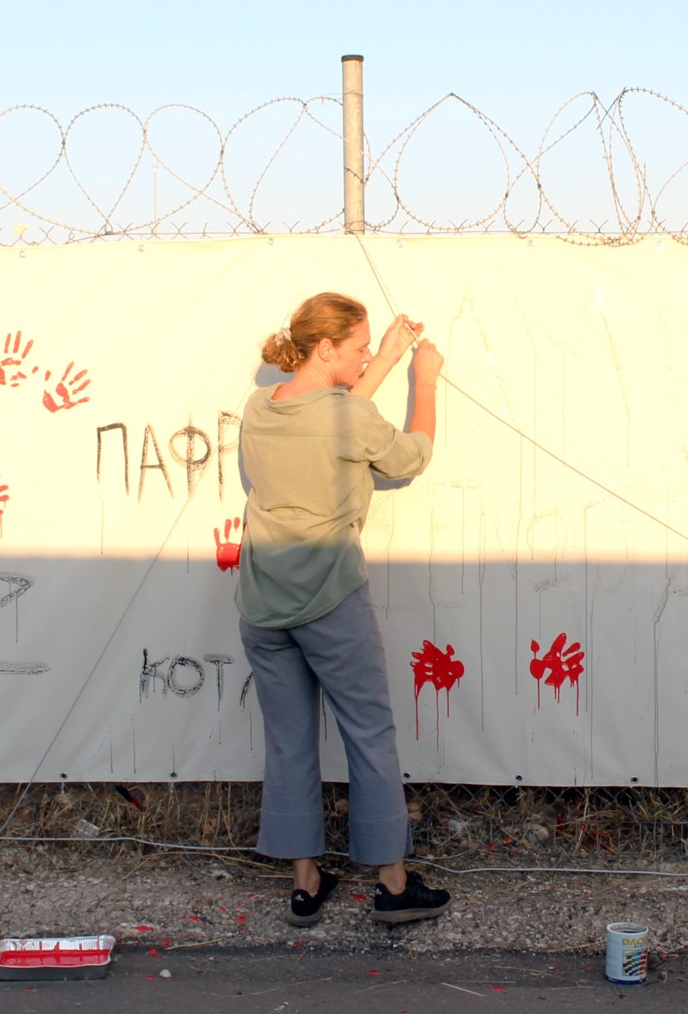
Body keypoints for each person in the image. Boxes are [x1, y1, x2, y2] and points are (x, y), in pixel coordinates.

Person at [234, 291, 449, 927]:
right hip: (329, 599)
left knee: (289, 741)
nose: (362, 362)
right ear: (326, 348)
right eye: (355, 350)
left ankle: (305, 884)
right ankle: (391, 884)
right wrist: (424, 382)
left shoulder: (258, 409)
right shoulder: (347, 418)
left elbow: (333, 409)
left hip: (262, 605)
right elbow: (408, 456)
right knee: (369, 733)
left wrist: (382, 354)